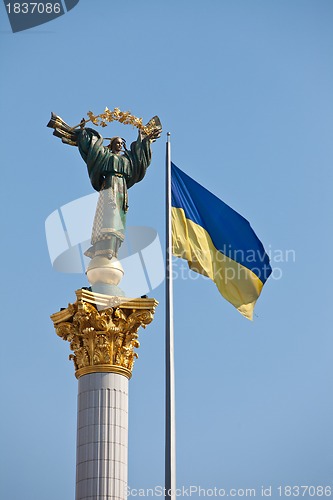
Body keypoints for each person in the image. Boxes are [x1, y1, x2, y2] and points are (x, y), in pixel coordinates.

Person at [47, 113, 161, 260]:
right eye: (117, 143)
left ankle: (113, 249)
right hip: (109, 186)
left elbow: (140, 157)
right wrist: (83, 133)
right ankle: (102, 247)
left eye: (121, 143)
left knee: (119, 220)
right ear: (112, 144)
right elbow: (92, 150)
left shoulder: (128, 160)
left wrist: (145, 139)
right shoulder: (106, 156)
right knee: (108, 216)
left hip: (122, 190)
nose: (119, 145)